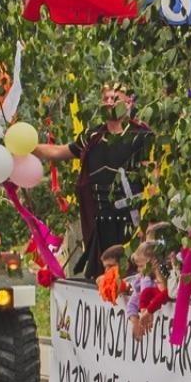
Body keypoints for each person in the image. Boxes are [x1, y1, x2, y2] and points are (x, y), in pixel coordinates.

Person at [33, 83, 153, 278]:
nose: (109, 103)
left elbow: (153, 179)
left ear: (129, 103)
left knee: (132, 277)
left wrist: (147, 224)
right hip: (101, 222)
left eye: (115, 99)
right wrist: (28, 146)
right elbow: (59, 151)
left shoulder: (141, 136)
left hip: (131, 223)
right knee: (101, 277)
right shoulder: (94, 136)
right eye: (105, 99)